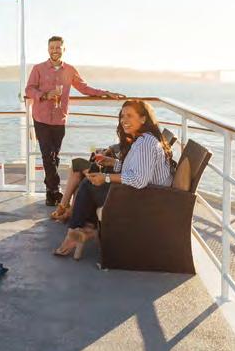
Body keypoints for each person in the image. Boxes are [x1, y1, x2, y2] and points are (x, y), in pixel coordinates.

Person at [53, 100, 174, 259]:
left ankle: (75, 233)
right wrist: (113, 162)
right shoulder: (143, 139)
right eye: (122, 116)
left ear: (143, 119)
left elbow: (139, 179)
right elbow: (134, 169)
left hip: (145, 201)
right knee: (92, 182)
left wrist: (107, 178)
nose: (124, 120)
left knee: (88, 185)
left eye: (130, 116)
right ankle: (86, 229)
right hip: (145, 195)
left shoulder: (145, 143)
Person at [25, 36, 125, 206]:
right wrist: (44, 95)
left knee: (54, 156)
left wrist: (105, 93)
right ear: (48, 49)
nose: (55, 50)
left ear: (64, 49)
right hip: (41, 117)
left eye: (58, 47)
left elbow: (84, 88)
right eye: (52, 47)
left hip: (59, 119)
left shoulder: (70, 70)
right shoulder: (38, 69)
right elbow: (29, 89)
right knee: (47, 155)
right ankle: (54, 190)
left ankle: (51, 192)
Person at [49, 144, 120, 222]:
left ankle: (64, 206)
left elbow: (116, 150)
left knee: (77, 163)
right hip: (110, 168)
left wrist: (107, 152)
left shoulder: (127, 144)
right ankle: (69, 210)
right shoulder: (125, 145)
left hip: (110, 172)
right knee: (78, 173)